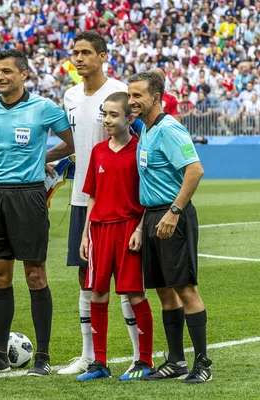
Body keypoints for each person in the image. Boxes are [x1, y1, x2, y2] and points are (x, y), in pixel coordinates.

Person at [0, 49, 74, 376]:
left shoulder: (44, 108)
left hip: (28, 196)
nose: (0, 77)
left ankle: (42, 356)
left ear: (24, 75)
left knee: (35, 274)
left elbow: (70, 143)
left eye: (7, 72)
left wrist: (42, 157)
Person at [48, 31, 142, 377]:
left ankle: (137, 356)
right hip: (82, 198)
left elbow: (134, 140)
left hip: (117, 201)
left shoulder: (117, 92)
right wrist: (47, 160)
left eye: (87, 52)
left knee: (125, 281)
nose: (79, 57)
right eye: (75, 52)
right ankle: (89, 355)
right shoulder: (70, 95)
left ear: (103, 56)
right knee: (86, 277)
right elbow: (73, 144)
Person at [128, 71, 211, 383]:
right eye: (130, 95)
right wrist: (143, 224)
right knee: (164, 290)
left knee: (185, 288)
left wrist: (174, 211)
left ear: (156, 98)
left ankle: (202, 364)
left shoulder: (169, 129)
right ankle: (175, 360)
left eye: (138, 96)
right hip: (152, 215)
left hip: (172, 214)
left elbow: (195, 170)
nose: (132, 101)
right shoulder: (146, 130)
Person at [75, 92, 155, 381]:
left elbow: (148, 196)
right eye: (104, 115)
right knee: (97, 292)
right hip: (99, 231)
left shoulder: (139, 150)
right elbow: (92, 197)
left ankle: (144, 362)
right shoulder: (98, 151)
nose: (107, 120)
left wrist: (140, 229)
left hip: (128, 229)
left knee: (135, 293)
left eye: (113, 115)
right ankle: (100, 363)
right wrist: (85, 236)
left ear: (129, 118)